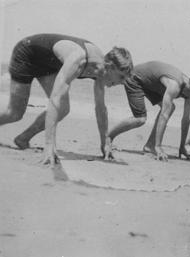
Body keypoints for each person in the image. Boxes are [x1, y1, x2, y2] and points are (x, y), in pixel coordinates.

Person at [0, 33, 133, 165]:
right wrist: (49, 146)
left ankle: (23, 139)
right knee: (14, 113)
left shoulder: (101, 71)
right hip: (27, 53)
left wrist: (105, 143)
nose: (122, 83)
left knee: (63, 108)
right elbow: (55, 98)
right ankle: (45, 145)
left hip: (47, 64)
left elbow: (100, 108)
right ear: (109, 66)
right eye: (121, 77)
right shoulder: (79, 60)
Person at [107, 61, 190, 161]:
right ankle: (108, 137)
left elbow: (185, 121)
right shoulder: (174, 86)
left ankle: (150, 146)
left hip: (151, 84)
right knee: (140, 119)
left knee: (170, 107)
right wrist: (159, 147)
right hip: (135, 78)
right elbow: (164, 115)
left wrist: (182, 147)